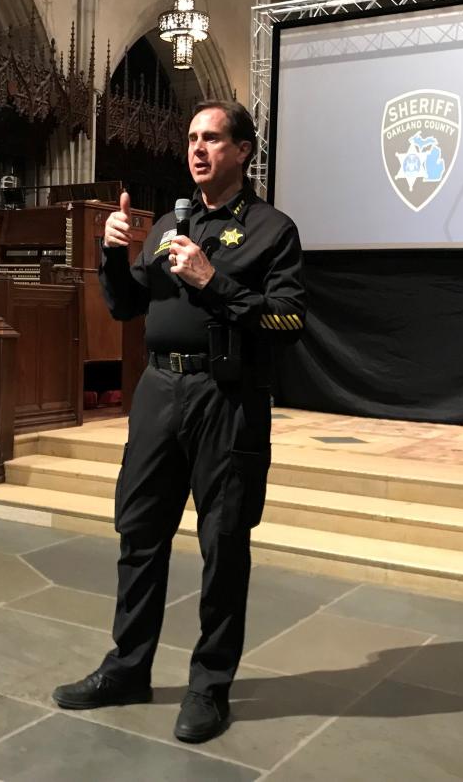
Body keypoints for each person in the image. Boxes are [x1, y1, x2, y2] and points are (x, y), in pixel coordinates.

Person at [52, 100, 306, 743]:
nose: (198, 149)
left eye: (212, 138)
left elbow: (289, 321)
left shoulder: (272, 230)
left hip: (226, 396)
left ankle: (209, 686)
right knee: (139, 530)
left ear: (243, 151)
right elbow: (125, 305)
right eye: (192, 138)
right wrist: (114, 254)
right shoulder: (170, 222)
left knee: (222, 542)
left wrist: (213, 280)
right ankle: (128, 668)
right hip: (159, 390)